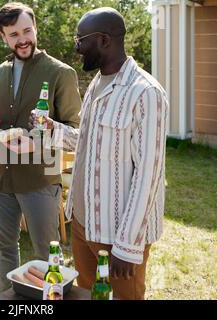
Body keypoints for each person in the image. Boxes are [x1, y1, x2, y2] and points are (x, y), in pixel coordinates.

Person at [54, 7, 169, 299]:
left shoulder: (145, 93)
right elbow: (89, 142)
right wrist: (51, 130)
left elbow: (148, 175)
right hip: (82, 224)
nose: (76, 47)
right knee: (86, 295)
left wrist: (128, 246)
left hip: (117, 236)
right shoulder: (97, 83)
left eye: (81, 40)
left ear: (104, 40)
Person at [0, 2, 81, 295]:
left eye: (27, 30)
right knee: (4, 246)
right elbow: (0, 121)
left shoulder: (60, 73)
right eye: (14, 34)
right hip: (0, 176)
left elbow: (77, 133)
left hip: (41, 177)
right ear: (4, 37)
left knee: (47, 253)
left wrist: (37, 143)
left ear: (35, 29)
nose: (22, 39)